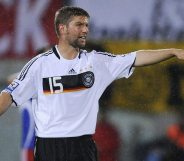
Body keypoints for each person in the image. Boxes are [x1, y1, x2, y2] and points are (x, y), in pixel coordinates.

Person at [0, 6, 184, 161]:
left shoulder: (96, 62)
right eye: (79, 25)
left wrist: (173, 51)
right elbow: (8, 94)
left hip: (82, 145)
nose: (85, 30)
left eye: (86, 25)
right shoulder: (39, 65)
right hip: (50, 146)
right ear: (62, 28)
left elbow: (136, 57)